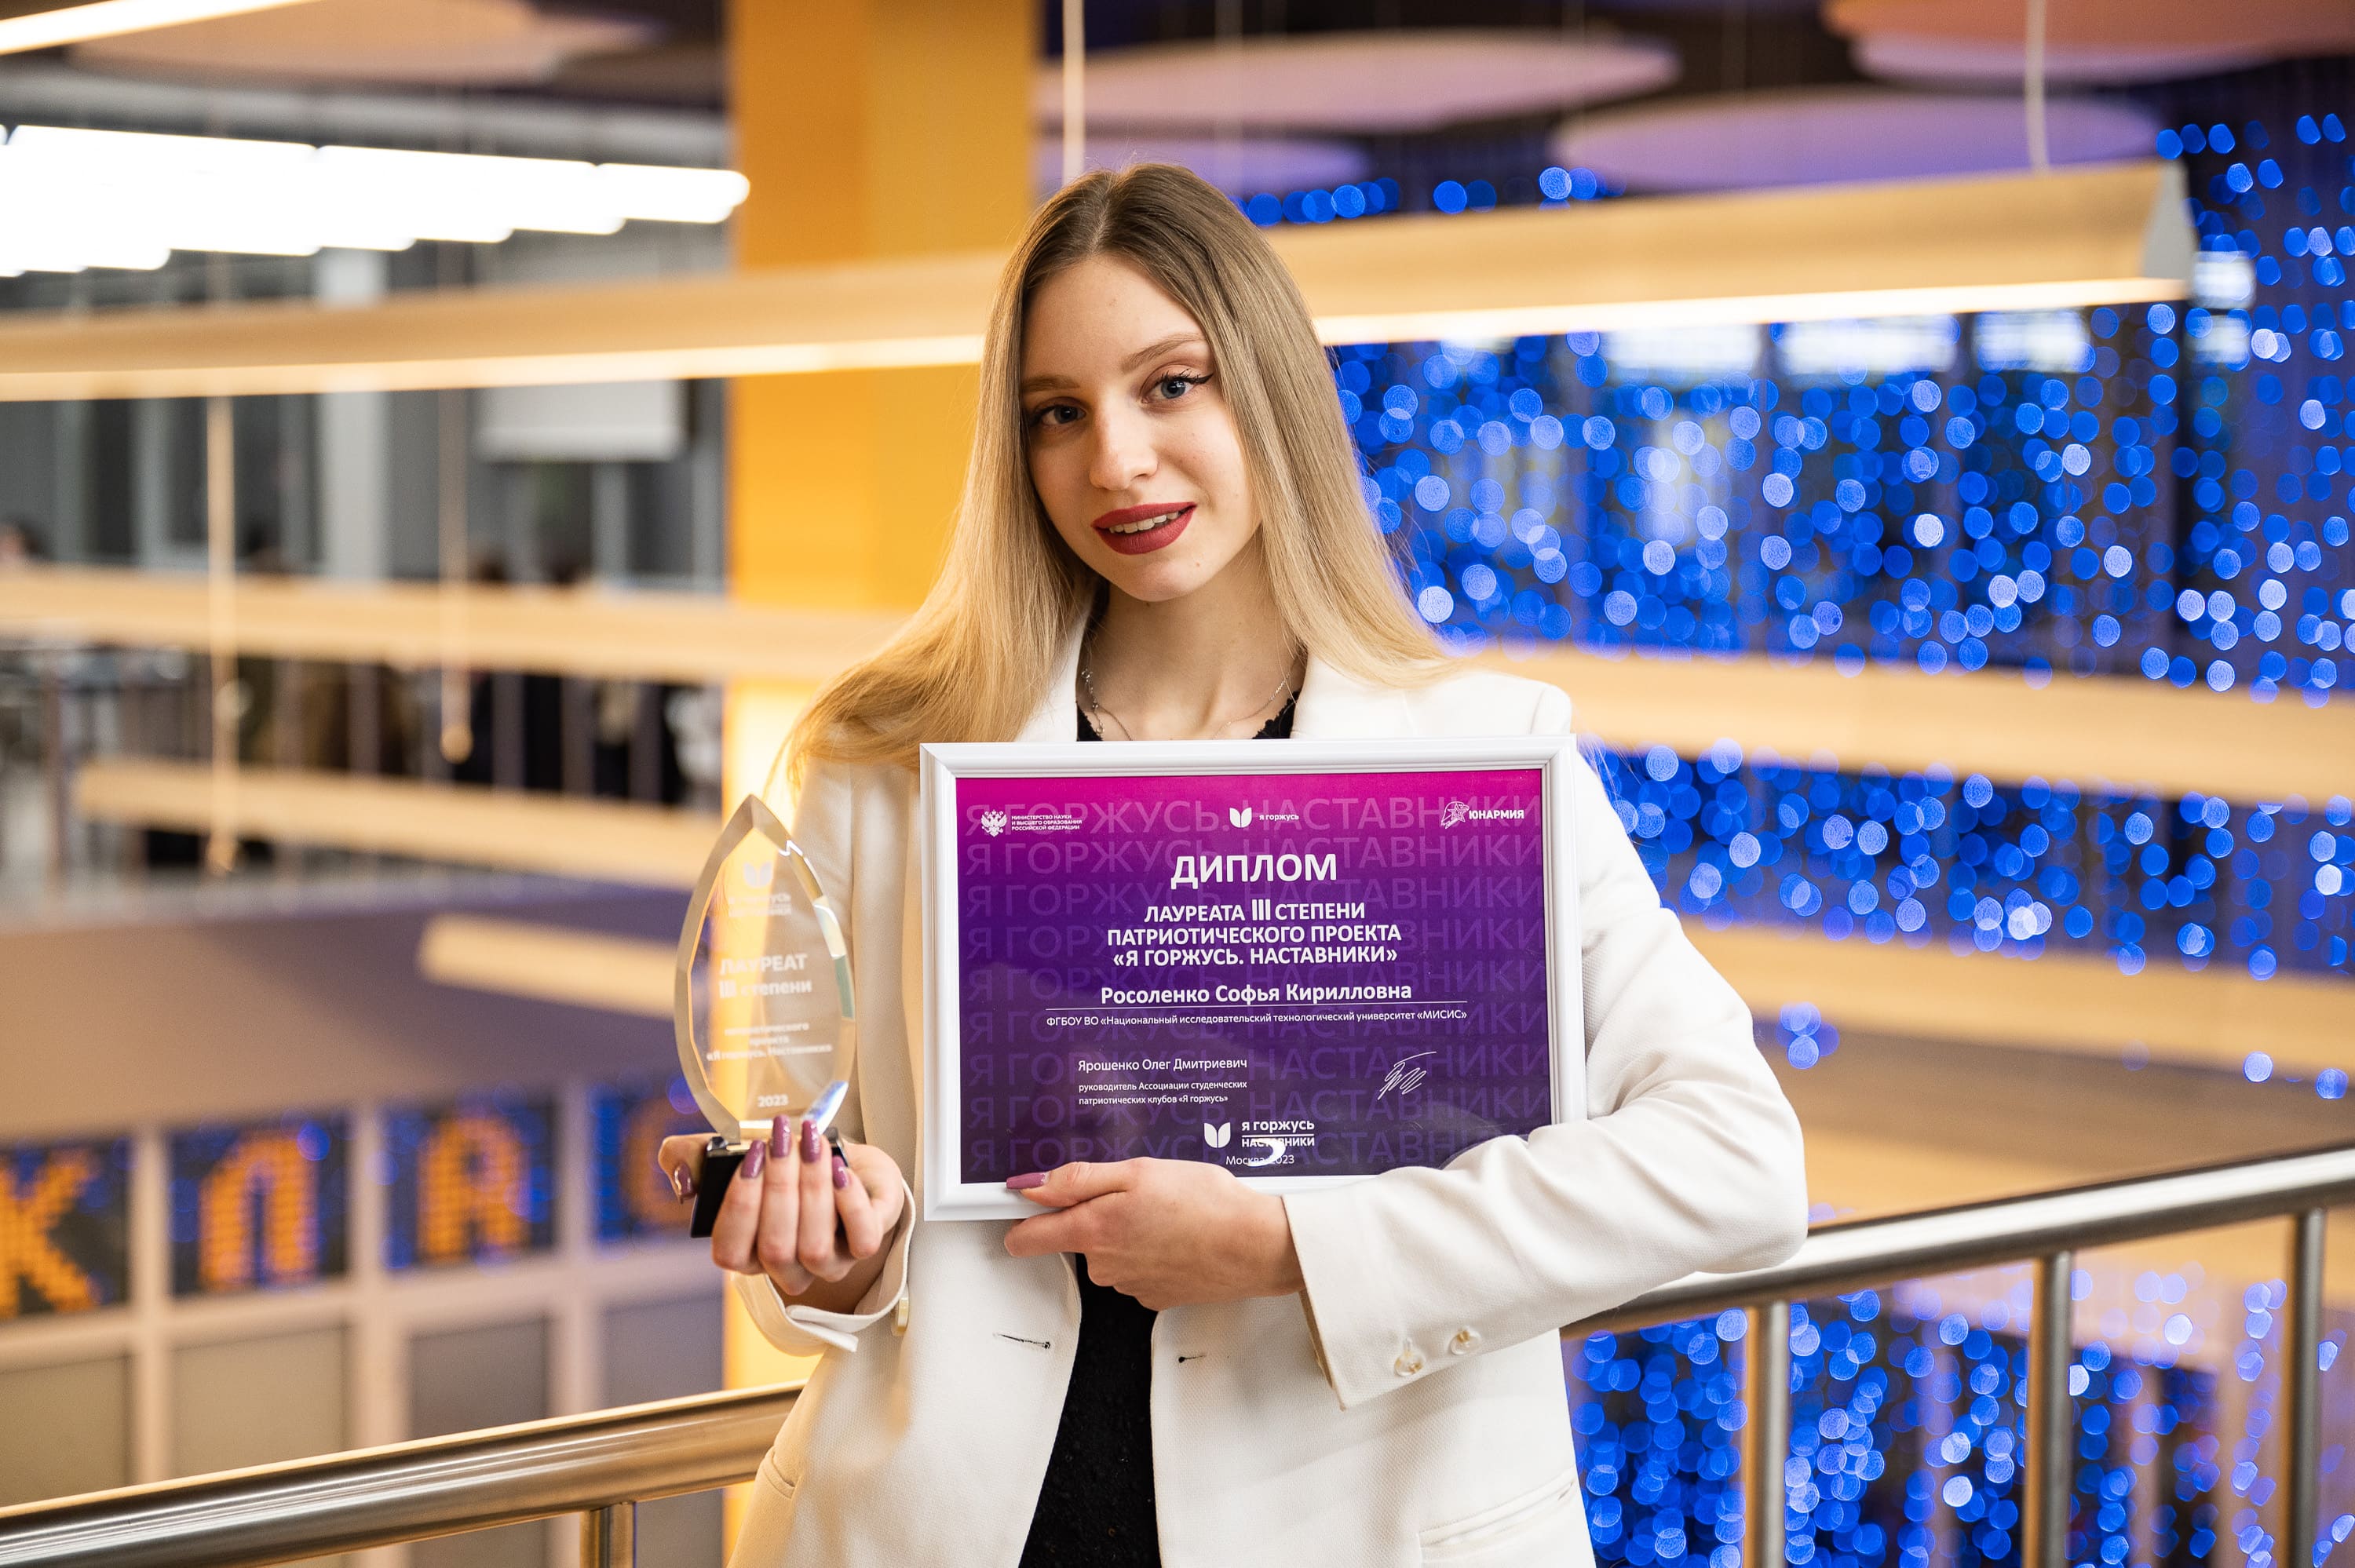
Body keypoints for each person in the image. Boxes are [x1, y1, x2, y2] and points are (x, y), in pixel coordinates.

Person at [661, 163, 1807, 1567]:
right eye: (1057, 413)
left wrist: (1289, 1247)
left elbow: (1739, 1162)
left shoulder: (1480, 761)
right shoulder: (882, 761)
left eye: (1171, 385)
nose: (1116, 462)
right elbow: (828, 1256)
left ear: (1267, 392)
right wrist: (838, 1254)